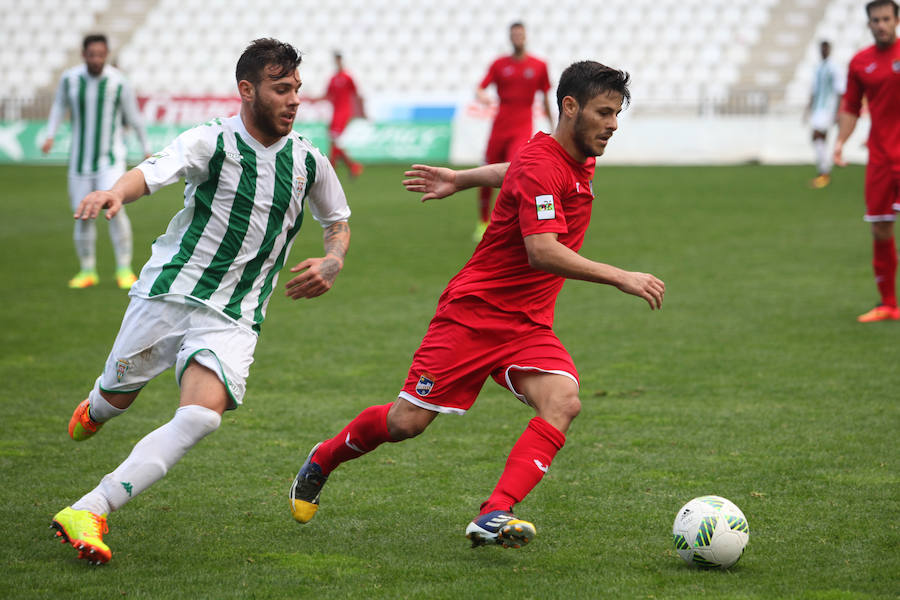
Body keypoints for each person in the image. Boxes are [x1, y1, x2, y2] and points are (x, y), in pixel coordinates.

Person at [289, 61, 665, 549]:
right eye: (604, 112)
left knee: (563, 401)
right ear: (570, 107)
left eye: (617, 114)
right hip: (473, 314)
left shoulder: (566, 154)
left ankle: (494, 513)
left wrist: (462, 179)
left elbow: (515, 171)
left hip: (527, 325)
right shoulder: (544, 165)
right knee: (407, 423)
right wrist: (622, 277)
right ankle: (324, 457)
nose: (613, 124)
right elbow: (542, 249)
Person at [50, 38, 352, 564]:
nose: (293, 99)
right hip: (169, 293)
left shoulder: (308, 160)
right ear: (247, 90)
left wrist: (333, 259)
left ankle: (90, 508)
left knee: (201, 417)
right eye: (281, 89)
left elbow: (338, 221)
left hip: (234, 316)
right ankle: (98, 405)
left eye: (297, 89)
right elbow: (153, 171)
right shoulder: (211, 141)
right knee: (115, 397)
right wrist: (117, 192)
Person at [42, 33, 151, 289]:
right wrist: (50, 135)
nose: (96, 60)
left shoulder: (117, 82)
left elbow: (133, 116)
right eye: (92, 55)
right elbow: (59, 106)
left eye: (101, 55)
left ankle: (124, 268)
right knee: (83, 215)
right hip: (79, 162)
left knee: (116, 209)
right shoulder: (70, 79)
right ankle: (87, 270)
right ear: (84, 55)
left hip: (110, 160)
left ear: (106, 55)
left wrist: (146, 147)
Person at [833, 0, 900, 323]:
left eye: (886, 19)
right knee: (881, 228)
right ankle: (888, 304)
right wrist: (840, 143)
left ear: (896, 20)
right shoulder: (860, 63)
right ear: (869, 24)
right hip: (880, 158)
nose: (881, 25)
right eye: (876, 20)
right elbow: (850, 106)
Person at [474, 21, 553, 240]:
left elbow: (545, 97)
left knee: (514, 172)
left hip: (522, 126)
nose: (518, 37)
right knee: (486, 172)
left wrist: (553, 124)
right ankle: (482, 222)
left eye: (521, 34)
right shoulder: (499, 64)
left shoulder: (539, 65)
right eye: (514, 34)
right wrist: (480, 95)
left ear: (526, 36)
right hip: (499, 126)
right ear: (510, 37)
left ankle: (512, 223)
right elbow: (480, 87)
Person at [805, 40, 845, 189]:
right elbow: (814, 91)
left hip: (828, 109)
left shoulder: (834, 68)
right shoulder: (818, 68)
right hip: (818, 109)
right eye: (822, 48)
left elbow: (840, 90)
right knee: (819, 138)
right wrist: (808, 109)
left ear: (830, 50)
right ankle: (824, 169)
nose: (824, 51)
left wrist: (838, 111)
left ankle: (824, 172)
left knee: (816, 136)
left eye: (826, 48)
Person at [322, 51, 365, 178]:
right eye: (336, 60)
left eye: (339, 59)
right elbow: (327, 95)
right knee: (334, 141)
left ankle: (331, 169)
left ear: (342, 60)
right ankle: (353, 166)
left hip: (344, 112)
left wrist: (359, 112)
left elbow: (356, 94)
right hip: (335, 113)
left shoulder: (347, 77)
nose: (338, 62)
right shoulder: (333, 79)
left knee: (335, 141)